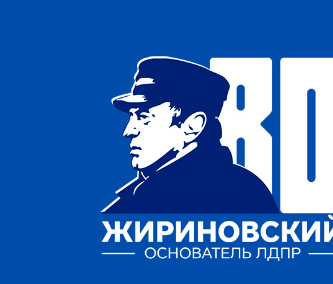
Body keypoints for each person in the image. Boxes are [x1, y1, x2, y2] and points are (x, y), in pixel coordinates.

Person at [103, 56, 280, 214]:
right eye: (132, 117)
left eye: (144, 117)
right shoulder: (136, 199)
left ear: (193, 126)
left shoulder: (242, 196)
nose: (128, 131)